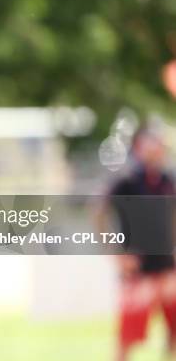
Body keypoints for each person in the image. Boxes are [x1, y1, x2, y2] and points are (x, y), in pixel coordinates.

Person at [97, 125, 176, 361]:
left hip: (167, 269)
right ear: (141, 147)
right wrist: (115, 252)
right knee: (128, 337)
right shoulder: (127, 180)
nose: (159, 147)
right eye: (154, 142)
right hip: (138, 271)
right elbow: (98, 212)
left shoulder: (167, 181)